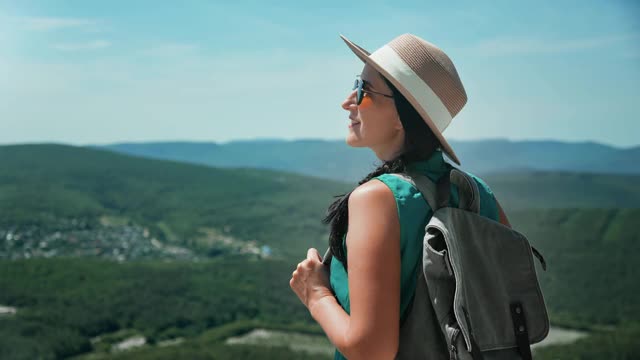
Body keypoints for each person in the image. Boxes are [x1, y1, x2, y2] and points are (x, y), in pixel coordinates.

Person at [289, 33, 511, 360]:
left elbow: (371, 349)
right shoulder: (479, 194)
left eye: (363, 89)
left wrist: (316, 294)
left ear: (401, 115)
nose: (348, 100)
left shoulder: (376, 198)